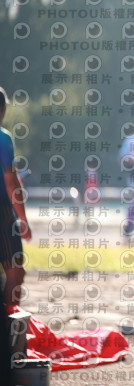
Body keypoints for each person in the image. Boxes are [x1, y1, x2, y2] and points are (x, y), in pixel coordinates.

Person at [0, 87, 32, 307]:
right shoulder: (3, 139)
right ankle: (9, 322)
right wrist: (23, 219)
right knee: (15, 271)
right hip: (3, 211)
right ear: (3, 109)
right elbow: (11, 182)